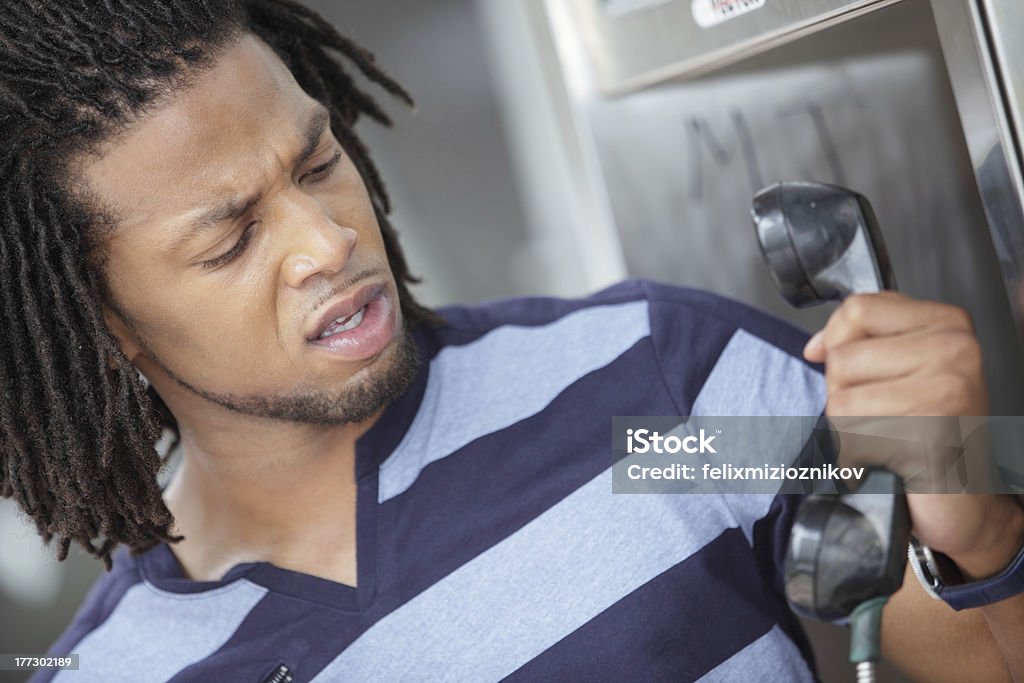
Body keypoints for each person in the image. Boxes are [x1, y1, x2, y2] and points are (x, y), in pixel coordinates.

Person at [0, 1, 1021, 681]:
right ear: (105, 329)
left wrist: (973, 525)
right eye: (229, 239)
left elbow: (983, 653)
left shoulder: (651, 388)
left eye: (317, 162)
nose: (327, 240)